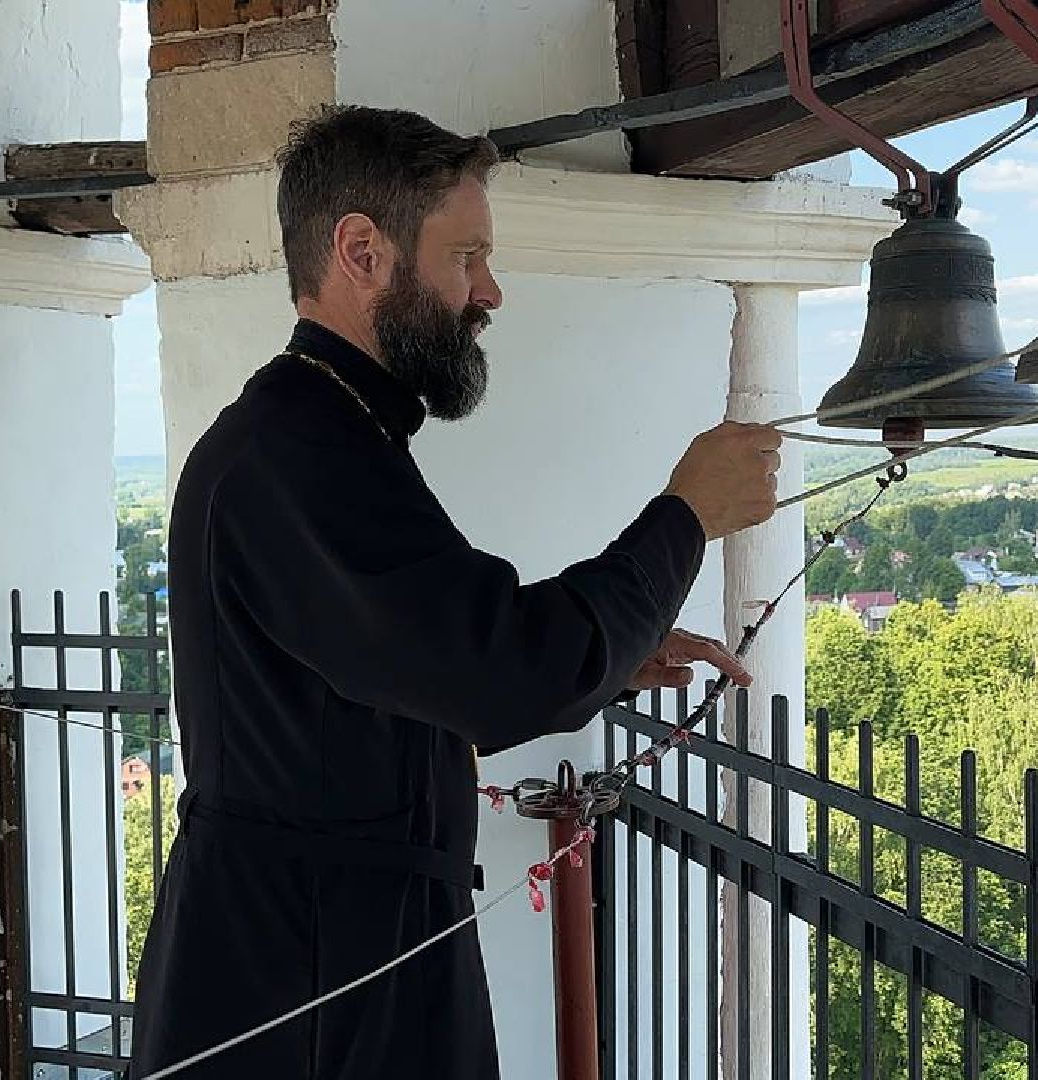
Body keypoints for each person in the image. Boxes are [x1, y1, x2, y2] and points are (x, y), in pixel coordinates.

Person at [127, 104, 782, 1078]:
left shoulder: (320, 433)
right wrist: (684, 518)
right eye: (466, 255)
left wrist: (614, 651)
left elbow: (415, 662)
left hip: (327, 951)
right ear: (363, 250)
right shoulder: (300, 455)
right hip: (312, 982)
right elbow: (501, 670)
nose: (491, 291)